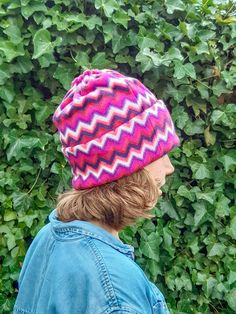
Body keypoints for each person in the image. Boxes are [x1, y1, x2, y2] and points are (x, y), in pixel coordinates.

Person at [13, 69, 180, 314]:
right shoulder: (114, 291)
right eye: (159, 153)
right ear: (123, 168)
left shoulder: (50, 235)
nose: (169, 168)